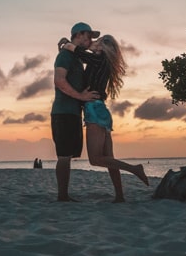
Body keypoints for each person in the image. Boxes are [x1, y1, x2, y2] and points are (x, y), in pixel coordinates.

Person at [59, 33, 149, 202]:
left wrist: (66, 44)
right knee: (109, 158)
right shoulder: (103, 63)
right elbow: (83, 56)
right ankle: (120, 196)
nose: (92, 44)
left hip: (94, 109)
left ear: (102, 47)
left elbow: (80, 53)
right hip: (102, 110)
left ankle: (135, 169)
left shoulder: (99, 59)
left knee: (96, 159)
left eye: (96, 42)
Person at [51, 22, 101, 201]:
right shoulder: (65, 55)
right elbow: (59, 81)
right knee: (64, 156)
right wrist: (80, 96)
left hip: (73, 113)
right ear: (79, 35)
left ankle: (64, 194)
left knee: (68, 156)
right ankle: (62, 196)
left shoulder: (76, 57)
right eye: (88, 37)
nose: (90, 41)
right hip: (63, 112)